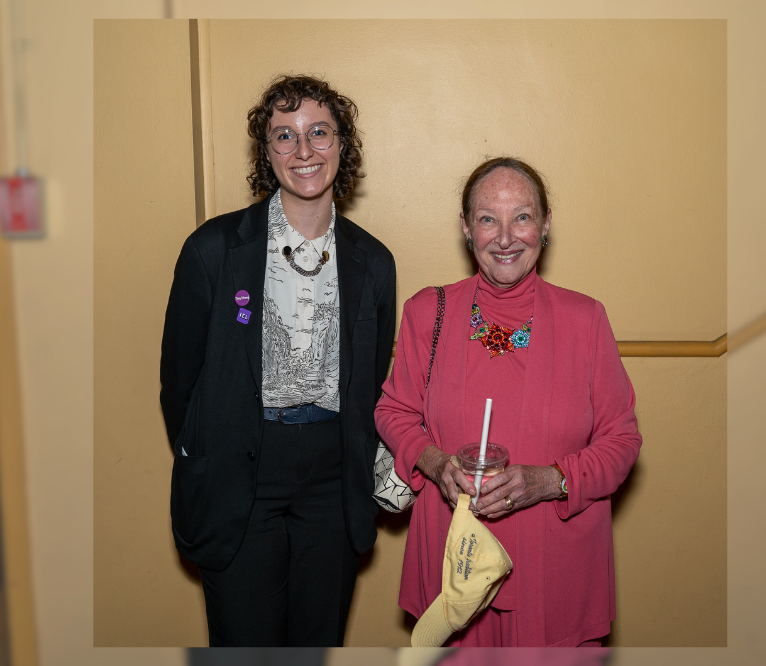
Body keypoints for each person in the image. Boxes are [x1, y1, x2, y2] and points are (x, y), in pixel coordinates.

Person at [160, 75, 396, 647]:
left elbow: (371, 382)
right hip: (241, 473)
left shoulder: (373, 261)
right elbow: (179, 381)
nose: (304, 150)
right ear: (266, 153)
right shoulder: (213, 250)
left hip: (332, 476)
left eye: (319, 132)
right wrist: (203, 451)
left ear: (343, 143)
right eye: (284, 136)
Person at [375, 157, 642, 647]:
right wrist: (435, 463)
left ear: (544, 226)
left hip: (555, 569)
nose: (505, 237)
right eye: (487, 218)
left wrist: (551, 480)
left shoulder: (586, 320)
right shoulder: (425, 313)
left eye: (521, 217)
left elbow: (622, 440)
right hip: (453, 567)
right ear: (465, 227)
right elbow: (393, 411)